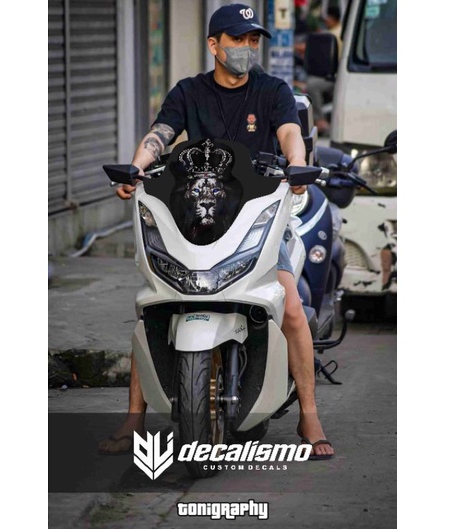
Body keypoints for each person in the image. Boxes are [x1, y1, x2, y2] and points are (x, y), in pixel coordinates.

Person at [98, 3, 334, 459]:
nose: (247, 47)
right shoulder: (189, 92)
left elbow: (290, 133)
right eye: (237, 39)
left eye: (252, 40)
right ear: (214, 44)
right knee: (155, 307)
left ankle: (309, 415)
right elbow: (160, 134)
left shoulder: (273, 90)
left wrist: (297, 164)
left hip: (257, 218)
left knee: (290, 308)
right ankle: (133, 419)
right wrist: (136, 167)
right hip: (196, 218)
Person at [300, 6, 342, 136]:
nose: (326, 21)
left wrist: (294, 46)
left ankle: (320, 120)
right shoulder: (334, 31)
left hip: (337, 76)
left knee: (312, 85)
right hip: (332, 73)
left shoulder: (334, 34)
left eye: (327, 18)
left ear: (333, 18)